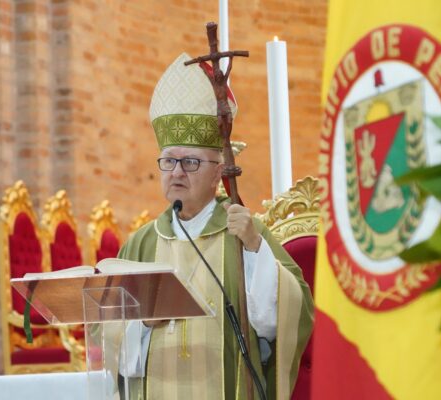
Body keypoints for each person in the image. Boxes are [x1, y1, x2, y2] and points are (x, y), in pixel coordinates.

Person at [117, 53, 314, 400]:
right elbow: (111, 342)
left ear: (218, 171)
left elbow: (281, 320)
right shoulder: (140, 245)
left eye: (190, 162)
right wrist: (140, 325)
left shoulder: (245, 234)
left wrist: (256, 252)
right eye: (168, 161)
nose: (176, 172)